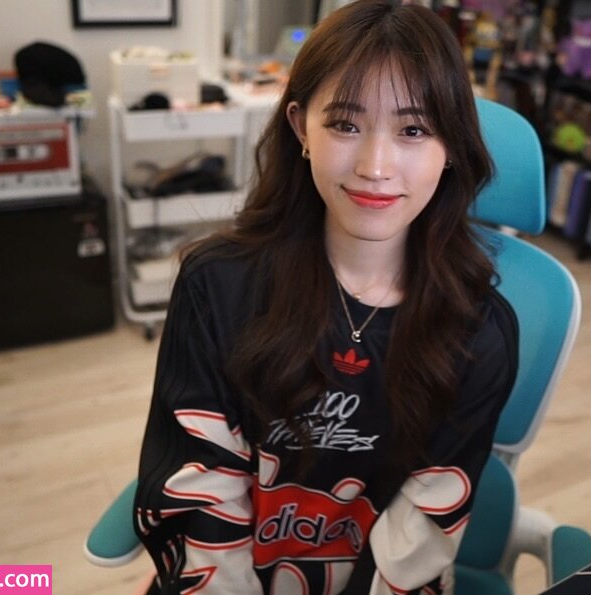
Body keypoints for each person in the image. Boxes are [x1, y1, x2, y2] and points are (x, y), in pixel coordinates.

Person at [134, 1, 518, 593]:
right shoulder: (218, 287)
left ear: (450, 147)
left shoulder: (479, 330)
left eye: (413, 130)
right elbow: (201, 487)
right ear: (300, 129)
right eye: (345, 124)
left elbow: (423, 523)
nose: (375, 166)